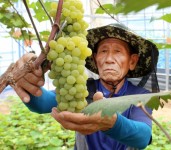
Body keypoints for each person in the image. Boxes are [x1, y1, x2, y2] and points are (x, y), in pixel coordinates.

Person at [14, 23, 159, 150]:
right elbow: (42, 103)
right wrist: (25, 77)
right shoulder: (81, 90)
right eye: (103, 51)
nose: (109, 59)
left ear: (132, 62)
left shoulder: (140, 96)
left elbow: (143, 137)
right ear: (95, 59)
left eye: (117, 51)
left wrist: (112, 122)